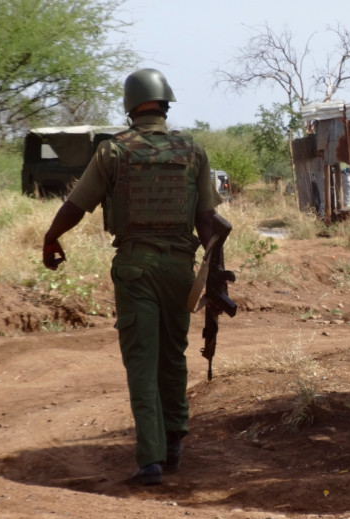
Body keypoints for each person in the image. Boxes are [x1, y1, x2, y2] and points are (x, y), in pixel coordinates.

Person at [42, 68, 222, 486]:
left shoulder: (114, 151)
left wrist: (52, 237)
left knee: (142, 359)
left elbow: (76, 205)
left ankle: (150, 460)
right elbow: (207, 219)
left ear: (130, 107)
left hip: (136, 266)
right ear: (165, 104)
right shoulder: (193, 150)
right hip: (182, 267)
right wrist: (212, 275)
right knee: (172, 355)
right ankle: (174, 441)